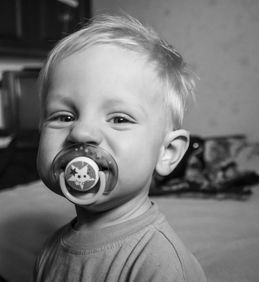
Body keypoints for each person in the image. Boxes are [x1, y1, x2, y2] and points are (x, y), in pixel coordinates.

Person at [34, 14, 207, 282]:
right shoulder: (50, 251)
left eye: (119, 119)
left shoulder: (160, 264)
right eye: (64, 117)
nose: (81, 132)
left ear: (167, 152)